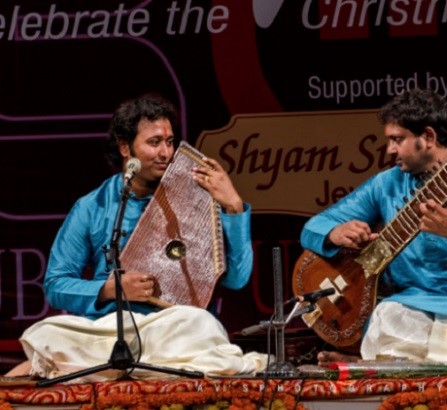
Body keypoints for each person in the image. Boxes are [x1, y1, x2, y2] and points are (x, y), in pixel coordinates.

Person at [5, 93, 268, 382]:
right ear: (125, 148)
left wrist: (233, 207)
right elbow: (56, 283)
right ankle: (141, 366)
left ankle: (97, 368)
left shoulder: (195, 200)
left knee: (201, 323)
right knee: (46, 332)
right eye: (154, 143)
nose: (166, 153)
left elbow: (237, 279)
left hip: (172, 327)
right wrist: (111, 290)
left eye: (169, 142)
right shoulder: (93, 207)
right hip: (108, 330)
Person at [301, 88, 447, 366]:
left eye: (397, 140)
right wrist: (334, 233)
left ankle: (377, 363)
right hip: (416, 304)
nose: (390, 149)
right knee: (386, 318)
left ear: (428, 137)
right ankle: (410, 363)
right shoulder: (386, 185)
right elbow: (313, 227)